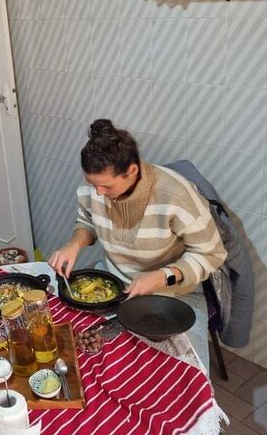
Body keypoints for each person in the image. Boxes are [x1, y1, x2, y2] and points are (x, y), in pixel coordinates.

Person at [49, 119, 227, 368]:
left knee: (180, 370)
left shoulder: (175, 195)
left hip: (173, 292)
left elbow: (211, 254)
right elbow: (87, 221)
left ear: (132, 170)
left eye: (106, 186)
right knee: (79, 351)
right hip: (113, 284)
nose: (98, 192)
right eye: (92, 184)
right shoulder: (96, 189)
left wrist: (162, 276)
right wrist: (74, 244)